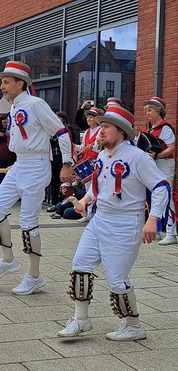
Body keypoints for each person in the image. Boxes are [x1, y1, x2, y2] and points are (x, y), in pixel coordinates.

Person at [57, 105, 171, 341]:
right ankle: (81, 319)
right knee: (80, 265)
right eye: (100, 126)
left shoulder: (137, 157)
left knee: (117, 280)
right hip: (100, 219)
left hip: (126, 222)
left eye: (105, 127)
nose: (100, 131)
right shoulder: (102, 155)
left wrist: (153, 219)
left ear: (120, 131)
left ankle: (134, 325)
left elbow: (161, 187)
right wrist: (84, 201)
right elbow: (100, 187)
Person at [0, 61, 73, 295]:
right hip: (19, 164)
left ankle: (34, 275)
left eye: (6, 82)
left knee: (28, 221)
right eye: (2, 82)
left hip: (36, 165)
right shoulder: (14, 107)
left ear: (19, 83)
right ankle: (8, 259)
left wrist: (66, 163)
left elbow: (61, 132)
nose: (2, 87)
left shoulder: (36, 104)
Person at [140, 97, 177, 246]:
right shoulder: (148, 127)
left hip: (164, 163)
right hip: (153, 164)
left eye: (149, 110)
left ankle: (172, 232)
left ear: (158, 111)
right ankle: (159, 230)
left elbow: (172, 148)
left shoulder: (165, 127)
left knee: (166, 196)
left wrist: (157, 156)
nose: (147, 113)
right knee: (152, 196)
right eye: (146, 110)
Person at [72, 106, 103, 222]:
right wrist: (73, 146)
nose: (89, 119)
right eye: (88, 117)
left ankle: (95, 213)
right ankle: (88, 213)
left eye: (92, 117)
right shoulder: (86, 132)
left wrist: (93, 147)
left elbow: (100, 148)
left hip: (95, 162)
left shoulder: (101, 130)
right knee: (87, 188)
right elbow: (83, 147)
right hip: (86, 162)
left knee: (94, 188)